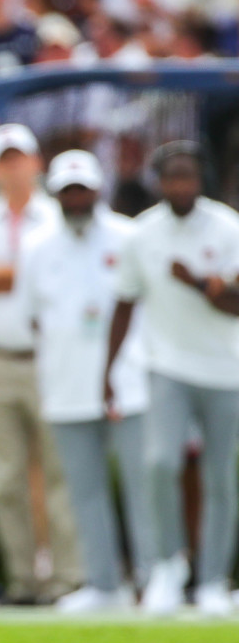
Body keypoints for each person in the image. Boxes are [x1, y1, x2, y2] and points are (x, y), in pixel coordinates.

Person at [106, 142, 239, 617]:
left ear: (200, 179)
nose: (180, 185)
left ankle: (213, 581)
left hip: (226, 369)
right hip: (166, 366)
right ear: (159, 182)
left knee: (221, 477)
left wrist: (200, 283)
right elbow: (124, 303)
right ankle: (167, 567)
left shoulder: (227, 227)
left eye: (188, 177)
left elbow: (235, 303)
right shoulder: (142, 234)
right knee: (160, 463)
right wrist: (108, 370)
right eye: (171, 177)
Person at [19, 150, 155, 614]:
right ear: (56, 195)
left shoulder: (129, 235)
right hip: (66, 385)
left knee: (143, 485)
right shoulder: (37, 244)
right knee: (85, 489)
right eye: (67, 191)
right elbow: (32, 316)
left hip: (130, 383)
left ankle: (153, 581)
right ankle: (103, 584)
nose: (76, 199)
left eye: (83, 189)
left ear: (98, 190)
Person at [0, 122, 80, 605]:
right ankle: (26, 581)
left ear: (36, 164)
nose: (13, 168)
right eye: (4, 160)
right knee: (6, 477)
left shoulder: (58, 216)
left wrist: (3, 274)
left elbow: (61, 281)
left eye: (19, 158)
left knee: (59, 475)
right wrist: (29, 272)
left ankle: (68, 579)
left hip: (51, 358)